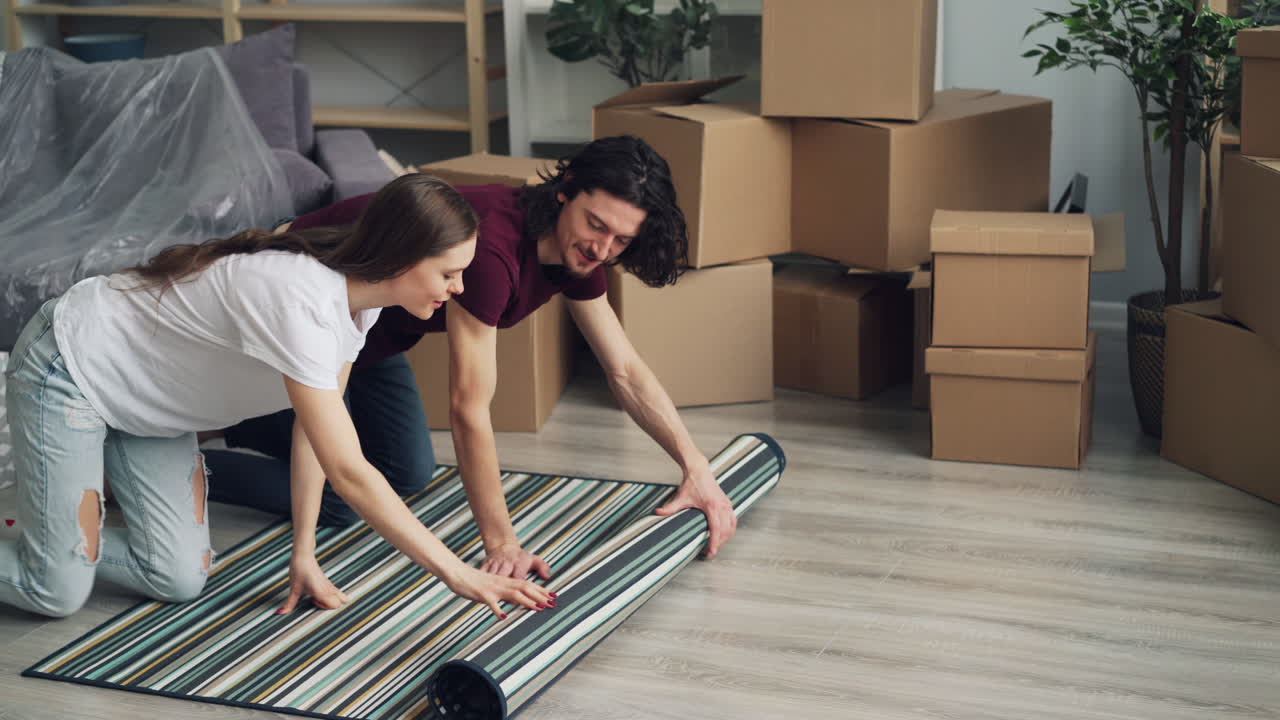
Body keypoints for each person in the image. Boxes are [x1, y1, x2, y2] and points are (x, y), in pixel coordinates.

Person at [0, 175, 554, 620]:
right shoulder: (301, 299)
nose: (460, 289)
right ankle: (53, 552)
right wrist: (458, 572)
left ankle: (51, 537)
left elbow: (315, 436)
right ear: (406, 259)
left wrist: (304, 552)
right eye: (451, 273)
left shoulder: (360, 307)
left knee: (177, 576)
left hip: (147, 409)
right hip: (71, 367)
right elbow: (350, 470)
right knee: (56, 592)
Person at [206, 136, 737, 594]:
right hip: (291, 328)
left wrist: (697, 469)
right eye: (596, 225)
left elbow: (624, 369)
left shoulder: (579, 252)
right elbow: (468, 410)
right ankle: (206, 460)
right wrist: (502, 543)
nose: (602, 248)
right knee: (342, 501)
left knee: (407, 473)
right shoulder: (491, 251)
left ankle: (256, 426)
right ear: (565, 189)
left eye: (622, 240)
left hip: (371, 338)